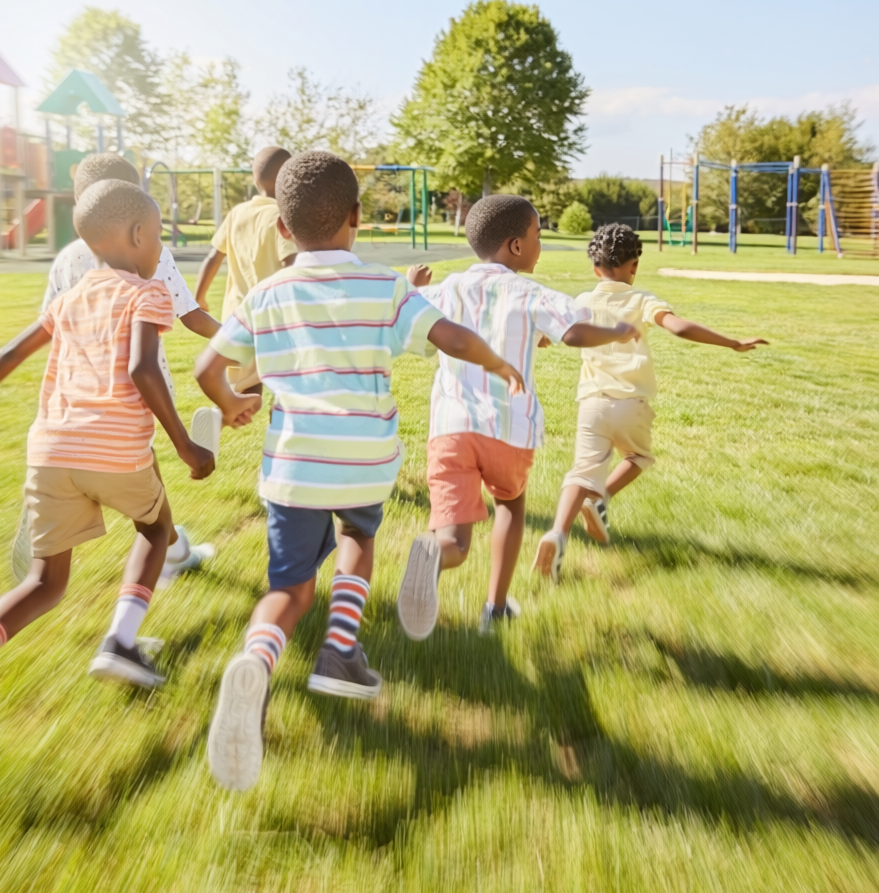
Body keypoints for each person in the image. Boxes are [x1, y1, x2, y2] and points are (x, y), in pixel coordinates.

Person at [193, 151, 525, 791]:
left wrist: (230, 403)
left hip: (293, 467)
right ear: (355, 219)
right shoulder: (385, 286)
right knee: (358, 540)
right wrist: (496, 362)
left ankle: (258, 662)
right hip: (364, 462)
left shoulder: (265, 293)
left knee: (288, 589)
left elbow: (207, 367)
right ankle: (341, 652)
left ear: (282, 230)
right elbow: (450, 336)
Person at [0, 180, 227, 772]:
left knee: (47, 581)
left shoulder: (72, 296)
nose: (161, 248)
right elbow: (142, 369)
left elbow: (10, 353)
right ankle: (121, 640)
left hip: (49, 451)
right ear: (136, 236)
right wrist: (186, 445)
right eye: (158, 236)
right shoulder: (148, 292)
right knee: (156, 532)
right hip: (116, 453)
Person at [398, 196, 637, 639]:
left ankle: (435, 551)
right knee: (510, 504)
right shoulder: (528, 292)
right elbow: (572, 331)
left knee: (455, 537)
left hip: (451, 429)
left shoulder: (447, 289)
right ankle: (495, 608)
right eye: (538, 236)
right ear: (514, 247)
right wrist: (617, 331)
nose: (539, 244)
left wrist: (411, 287)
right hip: (508, 430)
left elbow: (411, 321)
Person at [534, 222, 767, 581]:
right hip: (632, 405)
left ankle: (557, 533)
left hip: (592, 404)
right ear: (635, 265)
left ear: (595, 268)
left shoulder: (582, 301)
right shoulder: (642, 299)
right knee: (638, 457)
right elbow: (678, 326)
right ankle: (599, 499)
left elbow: (553, 335)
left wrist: (542, 340)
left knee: (581, 471)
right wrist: (732, 342)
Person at [29, 152, 220, 583]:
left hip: (79, 394)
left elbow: (50, 328)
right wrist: (240, 339)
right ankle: (167, 554)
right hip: (138, 388)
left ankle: (167, 547)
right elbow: (190, 315)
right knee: (135, 474)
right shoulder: (148, 247)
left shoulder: (66, 258)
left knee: (109, 468)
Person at [193, 146, 297, 395]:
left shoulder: (237, 213)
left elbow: (213, 257)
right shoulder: (281, 216)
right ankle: (282, 420)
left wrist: (199, 296)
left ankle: (222, 418)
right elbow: (291, 264)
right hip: (272, 318)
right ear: (289, 179)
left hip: (237, 317)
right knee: (287, 384)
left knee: (246, 390)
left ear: (254, 178)